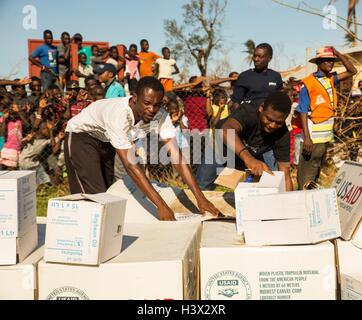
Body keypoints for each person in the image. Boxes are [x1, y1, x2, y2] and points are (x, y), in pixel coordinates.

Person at [64, 77, 220, 221]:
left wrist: (200, 198)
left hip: (105, 140)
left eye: (157, 104)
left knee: (106, 194)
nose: (152, 109)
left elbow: (176, 156)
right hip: (81, 136)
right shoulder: (119, 115)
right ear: (135, 98)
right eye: (147, 103)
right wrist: (161, 206)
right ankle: (81, 239)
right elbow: (131, 166)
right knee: (94, 196)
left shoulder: (161, 115)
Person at [196, 91, 294, 191]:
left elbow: (285, 175)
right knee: (202, 186)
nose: (272, 125)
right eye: (269, 119)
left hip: (250, 153)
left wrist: (289, 201)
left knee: (259, 187)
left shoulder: (282, 134)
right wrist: (249, 159)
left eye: (279, 122)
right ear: (261, 108)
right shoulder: (249, 111)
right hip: (221, 147)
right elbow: (226, 130)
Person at [296, 46, 357, 190]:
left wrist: (338, 54)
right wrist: (307, 138)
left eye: (332, 60)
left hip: (325, 136)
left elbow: (352, 71)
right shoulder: (308, 83)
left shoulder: (331, 79)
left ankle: (311, 203)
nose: (330, 63)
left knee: (315, 170)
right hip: (312, 138)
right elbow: (303, 111)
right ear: (318, 62)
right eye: (326, 60)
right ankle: (302, 202)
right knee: (306, 174)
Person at [230, 43, 283, 110]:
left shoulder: (276, 76)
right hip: (249, 117)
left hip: (270, 117)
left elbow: (280, 99)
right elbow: (236, 102)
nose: (256, 59)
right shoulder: (245, 76)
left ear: (269, 58)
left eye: (259, 56)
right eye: (254, 56)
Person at [19, 121, 64, 186]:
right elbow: (21, 144)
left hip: (33, 162)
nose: (48, 131)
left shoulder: (44, 140)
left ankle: (44, 187)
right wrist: (27, 140)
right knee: (28, 181)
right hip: (24, 162)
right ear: (41, 130)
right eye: (46, 129)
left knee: (44, 179)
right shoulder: (34, 136)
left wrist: (58, 137)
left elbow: (53, 143)